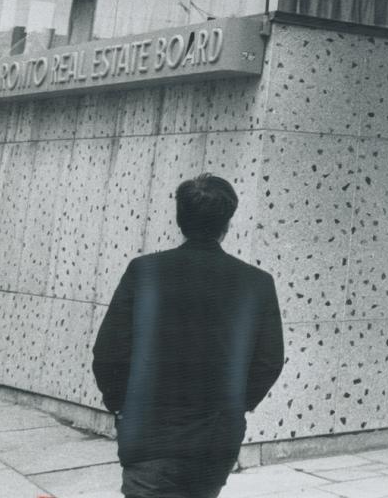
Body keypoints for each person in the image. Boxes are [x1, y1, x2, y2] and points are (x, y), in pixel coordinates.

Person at [93, 174, 284, 498]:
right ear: (227, 222)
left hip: (149, 435)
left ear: (180, 219)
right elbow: (268, 361)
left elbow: (109, 351)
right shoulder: (256, 283)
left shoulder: (145, 271)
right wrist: (235, 403)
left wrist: (120, 405)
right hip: (215, 437)